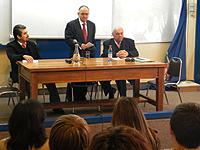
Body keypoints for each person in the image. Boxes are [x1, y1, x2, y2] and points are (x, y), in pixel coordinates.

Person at [6, 24, 64, 114]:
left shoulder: (32, 44)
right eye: (25, 33)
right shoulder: (11, 46)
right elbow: (12, 57)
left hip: (36, 72)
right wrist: (23, 56)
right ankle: (31, 111)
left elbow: (38, 58)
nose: (27, 35)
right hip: (19, 74)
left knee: (51, 81)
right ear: (18, 36)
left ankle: (56, 107)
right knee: (29, 84)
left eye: (27, 33)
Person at [65, 5, 96, 102]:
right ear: (78, 14)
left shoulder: (92, 25)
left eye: (86, 14)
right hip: (76, 54)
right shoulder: (71, 24)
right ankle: (75, 98)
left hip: (88, 55)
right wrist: (79, 45)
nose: (84, 16)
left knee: (86, 76)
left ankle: (82, 97)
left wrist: (89, 45)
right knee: (76, 77)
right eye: (82, 14)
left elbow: (92, 40)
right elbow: (68, 39)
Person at [100, 27, 139, 98]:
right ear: (113, 35)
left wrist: (127, 53)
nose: (120, 35)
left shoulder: (130, 41)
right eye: (117, 34)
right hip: (110, 69)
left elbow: (136, 53)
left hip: (126, 69)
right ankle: (110, 91)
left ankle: (123, 98)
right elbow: (105, 54)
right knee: (100, 76)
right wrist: (116, 54)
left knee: (121, 76)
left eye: (121, 33)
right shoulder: (107, 43)